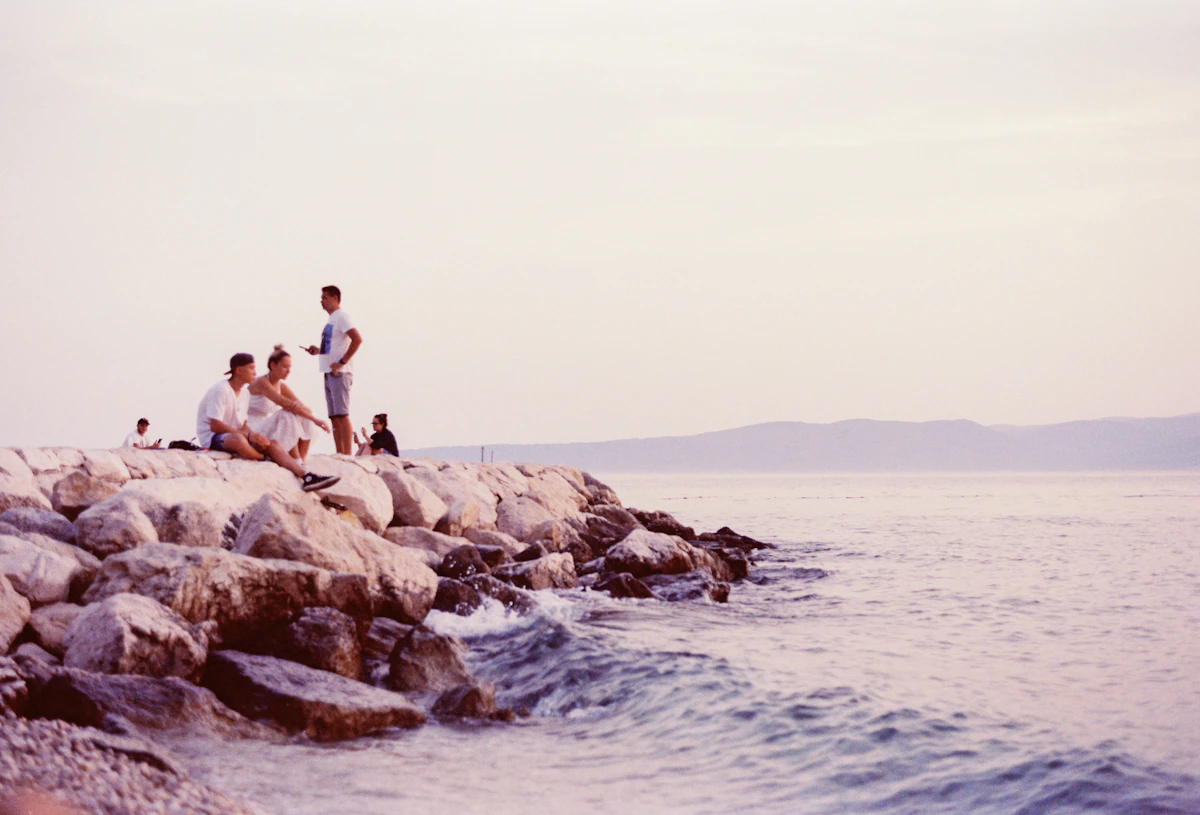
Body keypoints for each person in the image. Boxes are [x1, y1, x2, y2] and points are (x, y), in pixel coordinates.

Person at [196, 352, 340, 492]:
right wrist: (248, 436)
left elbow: (243, 424)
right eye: (251, 368)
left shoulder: (244, 393)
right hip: (213, 437)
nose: (255, 372)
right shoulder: (221, 390)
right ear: (239, 370)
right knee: (239, 439)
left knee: (273, 443)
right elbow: (215, 425)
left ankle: (307, 476)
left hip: (238, 433)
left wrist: (255, 436)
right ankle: (263, 457)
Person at [303, 285, 361, 455]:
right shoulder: (332, 319)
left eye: (325, 298)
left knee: (342, 414)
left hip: (340, 372)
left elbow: (357, 339)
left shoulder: (342, 317)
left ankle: (347, 454)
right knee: (334, 416)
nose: (322, 301)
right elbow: (334, 345)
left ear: (335, 298)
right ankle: (340, 452)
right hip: (328, 371)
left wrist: (342, 362)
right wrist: (318, 351)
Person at [248, 345, 330, 464]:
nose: (288, 371)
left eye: (289, 367)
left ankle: (300, 460)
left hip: (265, 425)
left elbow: (302, 406)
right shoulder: (261, 382)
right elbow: (285, 404)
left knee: (303, 416)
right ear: (272, 365)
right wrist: (316, 420)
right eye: (285, 366)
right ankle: (296, 461)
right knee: (287, 414)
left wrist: (306, 413)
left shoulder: (282, 386)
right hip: (252, 428)